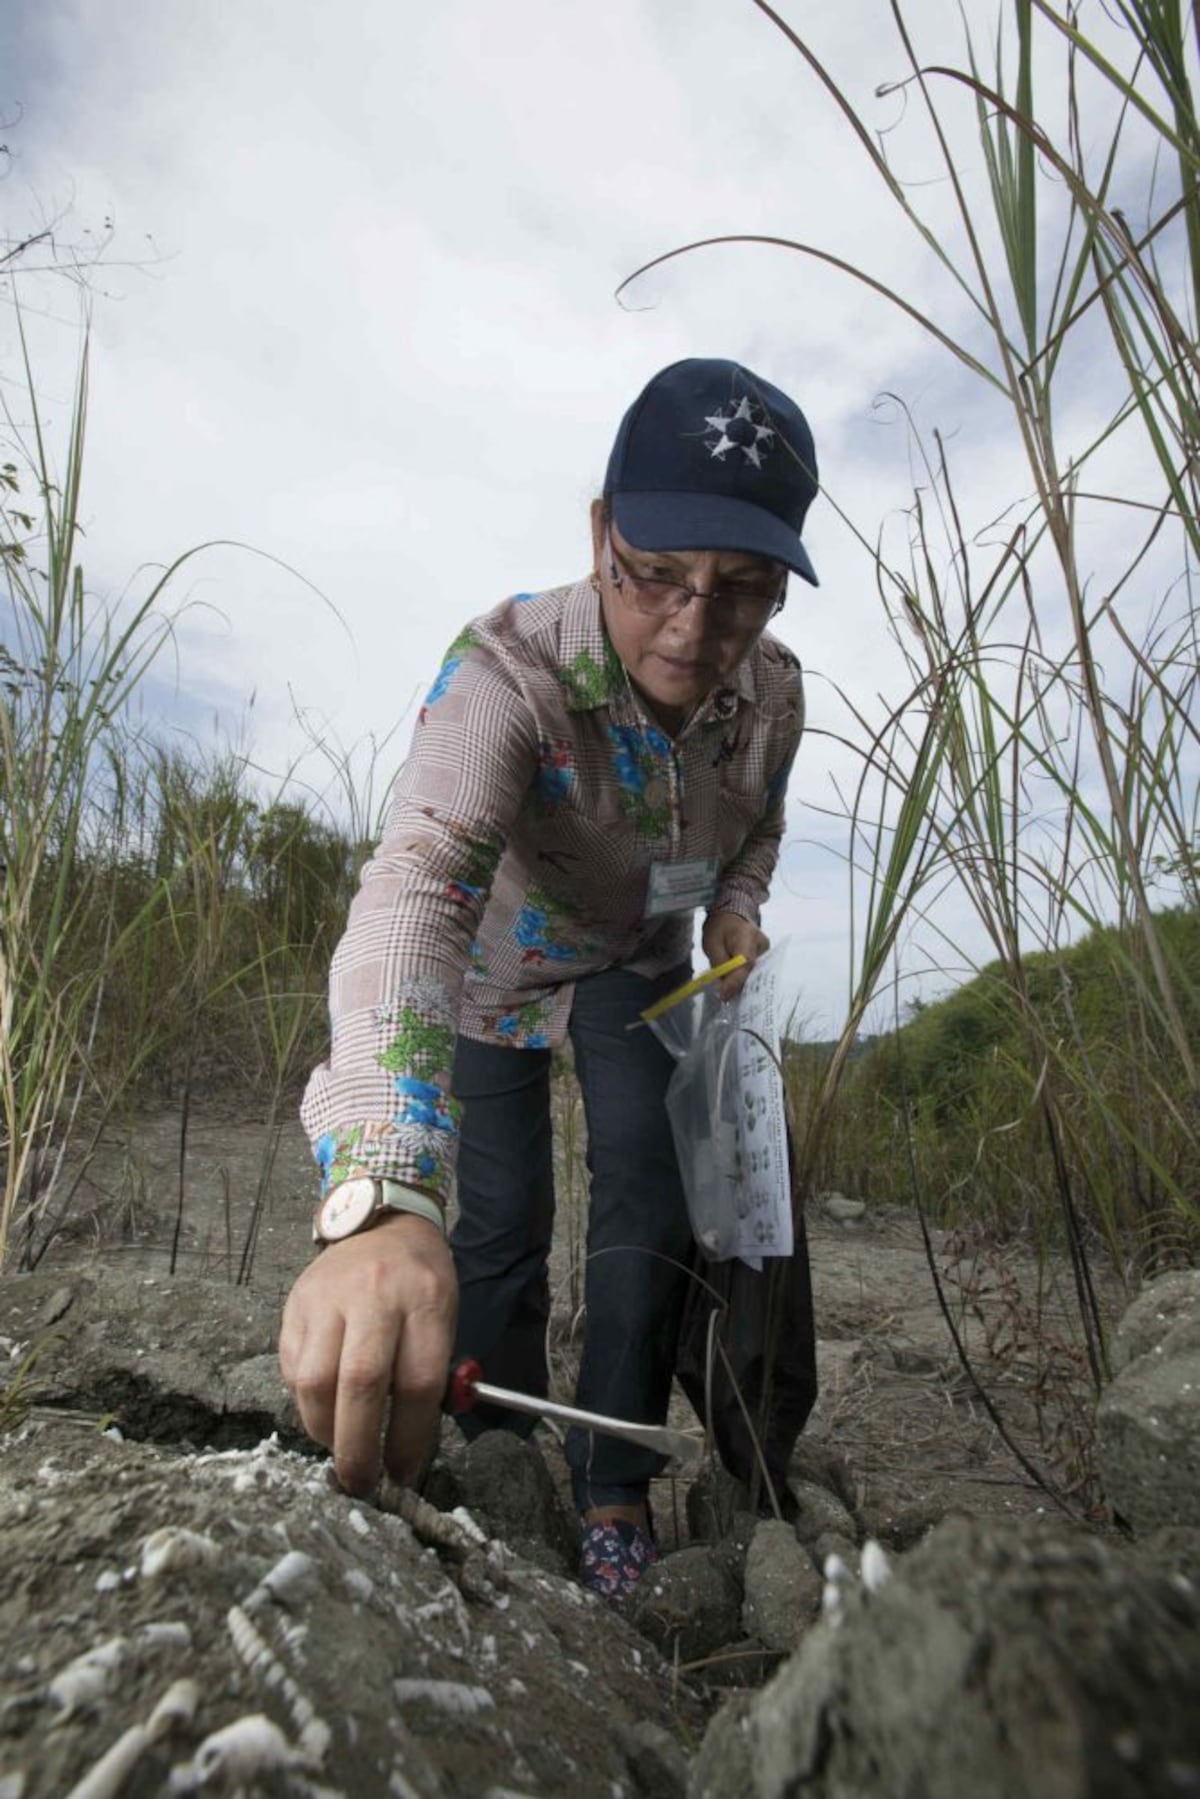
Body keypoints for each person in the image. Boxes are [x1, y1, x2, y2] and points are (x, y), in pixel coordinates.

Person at [281, 357, 820, 1598]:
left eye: (739, 593)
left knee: (647, 1193)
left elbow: (759, 826)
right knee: (497, 1216)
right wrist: (376, 1189)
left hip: (641, 966)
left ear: (780, 583)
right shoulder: (506, 674)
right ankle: (491, 1438)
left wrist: (736, 905)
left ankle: (613, 1472)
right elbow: (415, 885)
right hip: (493, 965)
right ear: (600, 537)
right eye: (657, 580)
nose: (692, 630)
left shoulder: (775, 697)